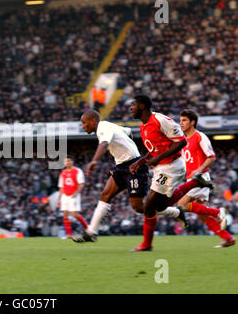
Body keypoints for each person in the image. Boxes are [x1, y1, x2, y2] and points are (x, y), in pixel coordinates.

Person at [128, 95, 226, 251]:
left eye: (133, 105)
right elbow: (154, 149)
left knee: (148, 207)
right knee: (160, 206)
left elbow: (181, 141)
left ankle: (147, 244)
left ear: (142, 106)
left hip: (172, 166)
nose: (130, 108)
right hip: (161, 166)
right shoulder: (143, 126)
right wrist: (139, 161)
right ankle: (195, 183)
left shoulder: (160, 120)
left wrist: (157, 158)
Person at [71, 109, 184, 243]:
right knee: (105, 195)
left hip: (134, 167)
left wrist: (95, 160)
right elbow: (128, 131)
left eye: (84, 123)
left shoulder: (103, 128)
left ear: (93, 121)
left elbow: (104, 144)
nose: (83, 126)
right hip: (121, 167)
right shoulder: (109, 126)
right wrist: (128, 147)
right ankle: (91, 232)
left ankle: (176, 212)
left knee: (139, 208)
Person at [178, 109, 234, 248]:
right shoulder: (184, 141)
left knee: (181, 205)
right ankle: (228, 239)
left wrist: (198, 170)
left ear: (193, 122)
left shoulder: (199, 136)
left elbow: (211, 156)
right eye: (180, 120)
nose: (181, 123)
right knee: (202, 214)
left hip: (199, 178)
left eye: (184, 120)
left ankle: (218, 212)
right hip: (191, 179)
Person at [56, 156, 89, 239]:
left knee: (74, 214)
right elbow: (61, 187)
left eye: (69, 161)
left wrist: (76, 192)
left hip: (74, 195)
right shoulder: (63, 172)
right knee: (65, 214)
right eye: (66, 161)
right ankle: (68, 234)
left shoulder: (77, 171)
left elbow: (81, 183)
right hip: (65, 195)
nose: (67, 162)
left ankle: (88, 229)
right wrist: (59, 199)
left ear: (72, 162)